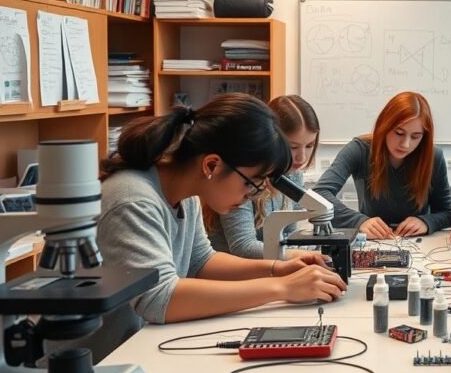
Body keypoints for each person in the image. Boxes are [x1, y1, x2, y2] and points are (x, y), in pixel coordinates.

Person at [89, 93, 346, 359]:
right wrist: (283, 288)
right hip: (99, 362)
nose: (252, 196)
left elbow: (201, 262)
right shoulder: (132, 199)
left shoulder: (183, 195)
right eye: (251, 183)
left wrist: (277, 269)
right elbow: (158, 298)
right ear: (212, 164)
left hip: (137, 346)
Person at [313, 91, 451, 238]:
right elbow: (319, 194)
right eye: (399, 133)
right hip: (372, 242)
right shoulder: (359, 149)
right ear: (384, 126)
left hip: (418, 244)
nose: (405, 144)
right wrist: (358, 221)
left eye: (415, 137)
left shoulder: (434, 157)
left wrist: (426, 221)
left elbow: (447, 213)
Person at [208, 95, 320, 258]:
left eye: (309, 145)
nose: (302, 158)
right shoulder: (244, 178)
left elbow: (289, 234)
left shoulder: (292, 174)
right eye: (293, 147)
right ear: (271, 140)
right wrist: (295, 255)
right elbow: (243, 246)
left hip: (266, 271)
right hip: (234, 274)